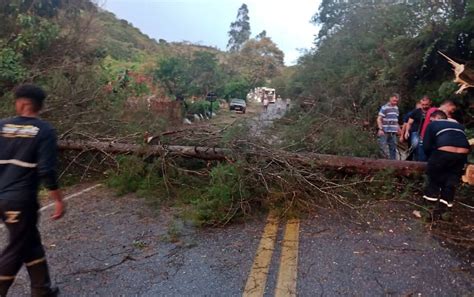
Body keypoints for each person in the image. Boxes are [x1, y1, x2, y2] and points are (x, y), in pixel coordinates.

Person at [0, 84, 64, 297]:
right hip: (20, 201)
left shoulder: (2, 126)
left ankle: (41, 289)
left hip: (3, 198)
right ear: (38, 106)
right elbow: (46, 170)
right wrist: (58, 200)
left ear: (21, 103)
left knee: (29, 241)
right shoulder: (44, 130)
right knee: (17, 248)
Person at [422, 110, 470, 220]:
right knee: (450, 182)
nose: (430, 121)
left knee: (434, 180)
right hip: (462, 155)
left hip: (444, 153)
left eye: (431, 119)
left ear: (436, 118)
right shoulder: (458, 126)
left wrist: (432, 159)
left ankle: (428, 212)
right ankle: (445, 213)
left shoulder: (433, 124)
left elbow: (426, 146)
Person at [403, 96, 432, 161]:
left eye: (426, 104)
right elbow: (409, 123)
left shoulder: (432, 111)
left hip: (427, 133)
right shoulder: (416, 112)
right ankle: (415, 159)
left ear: (430, 103)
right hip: (416, 132)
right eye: (423, 105)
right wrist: (407, 131)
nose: (424, 106)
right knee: (415, 146)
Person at [377, 93, 401, 160]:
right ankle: (382, 162)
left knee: (393, 148)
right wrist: (380, 129)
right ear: (390, 99)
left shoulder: (396, 108)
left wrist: (399, 129)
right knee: (383, 148)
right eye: (394, 100)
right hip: (385, 131)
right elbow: (379, 119)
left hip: (393, 132)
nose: (395, 102)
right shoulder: (384, 107)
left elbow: (395, 120)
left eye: (396, 101)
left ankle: (393, 163)